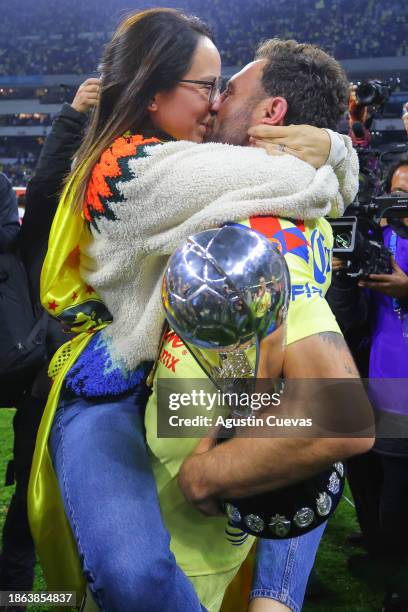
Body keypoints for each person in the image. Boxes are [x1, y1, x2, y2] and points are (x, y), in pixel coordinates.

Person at [29, 9, 368, 612]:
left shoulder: (232, 202)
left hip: (169, 382)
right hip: (116, 379)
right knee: (129, 573)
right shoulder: (137, 169)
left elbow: (326, 419)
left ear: (272, 114)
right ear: (154, 91)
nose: (214, 105)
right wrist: (336, 150)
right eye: (207, 86)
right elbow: (310, 184)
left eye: (223, 88)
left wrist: (218, 456)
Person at [0, 79, 99, 602]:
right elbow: (42, 191)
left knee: (101, 508)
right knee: (29, 511)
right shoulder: (48, 228)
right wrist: (72, 117)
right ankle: (18, 596)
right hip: (52, 379)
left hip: (116, 385)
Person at [330, 159, 408, 612]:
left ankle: (398, 580)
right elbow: (349, 319)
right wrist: (342, 272)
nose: (399, 205)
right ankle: (381, 550)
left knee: (399, 490)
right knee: (368, 475)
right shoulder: (377, 241)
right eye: (394, 194)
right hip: (371, 383)